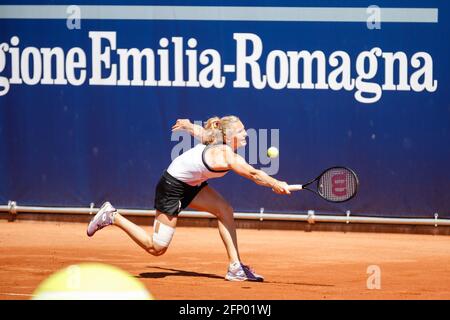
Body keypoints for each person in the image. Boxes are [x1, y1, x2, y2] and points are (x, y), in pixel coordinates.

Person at [87, 115, 292, 281]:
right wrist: (276, 184)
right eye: (240, 131)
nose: (246, 133)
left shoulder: (216, 139)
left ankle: (235, 267)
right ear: (229, 136)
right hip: (172, 187)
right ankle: (112, 216)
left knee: (225, 210)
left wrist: (187, 125)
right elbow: (254, 174)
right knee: (156, 247)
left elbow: (201, 132)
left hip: (192, 185)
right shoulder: (225, 155)